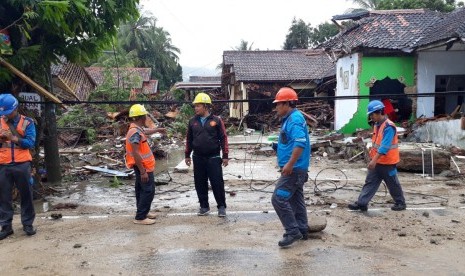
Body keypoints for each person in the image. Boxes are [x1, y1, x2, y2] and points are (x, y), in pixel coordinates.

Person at [348, 100, 406, 212]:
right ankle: (362, 203)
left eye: (372, 114)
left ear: (380, 112)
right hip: (377, 161)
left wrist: (373, 161)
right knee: (370, 182)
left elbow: (384, 146)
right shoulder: (377, 125)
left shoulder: (389, 127)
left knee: (392, 183)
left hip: (388, 162)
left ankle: (400, 202)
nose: (371, 117)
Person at [271, 87, 311, 247]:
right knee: (296, 200)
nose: (276, 108)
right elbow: (291, 141)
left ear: (287, 103)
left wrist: (289, 164)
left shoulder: (294, 119)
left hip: (294, 170)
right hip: (297, 169)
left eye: (278, 104)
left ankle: (292, 231)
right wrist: (278, 147)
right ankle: (302, 229)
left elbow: (300, 143)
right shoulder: (291, 118)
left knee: (278, 199)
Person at [184, 92, 229, 217]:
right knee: (200, 182)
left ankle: (221, 207)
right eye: (195, 106)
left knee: (217, 182)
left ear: (205, 106)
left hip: (213, 157)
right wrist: (187, 155)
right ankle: (204, 206)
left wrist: (225, 156)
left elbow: (223, 138)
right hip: (198, 157)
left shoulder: (217, 120)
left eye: (198, 106)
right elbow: (188, 139)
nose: (196, 108)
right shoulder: (192, 121)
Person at [0, 93, 36, 239]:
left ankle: (27, 224)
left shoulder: (27, 122)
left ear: (15, 109)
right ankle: (6, 226)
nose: (5, 116)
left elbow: (30, 142)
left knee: (26, 194)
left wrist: (13, 138)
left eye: (7, 112)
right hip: (3, 164)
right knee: (3, 197)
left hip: (22, 164)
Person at [125, 104, 165, 225]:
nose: (146, 118)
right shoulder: (135, 133)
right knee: (148, 190)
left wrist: (157, 130)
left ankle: (143, 211)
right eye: (145, 116)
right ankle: (140, 217)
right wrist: (142, 171)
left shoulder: (136, 129)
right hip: (142, 167)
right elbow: (136, 153)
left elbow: (145, 131)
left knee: (141, 189)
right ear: (141, 117)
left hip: (143, 166)